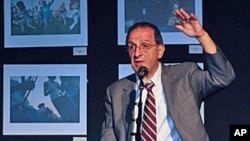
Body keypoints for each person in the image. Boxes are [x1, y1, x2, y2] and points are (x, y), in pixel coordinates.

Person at [100, 8, 236, 141]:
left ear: (160, 50)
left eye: (145, 46)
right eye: (131, 47)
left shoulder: (185, 76)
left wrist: (202, 36)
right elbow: (109, 136)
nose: (136, 53)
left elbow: (223, 77)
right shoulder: (115, 91)